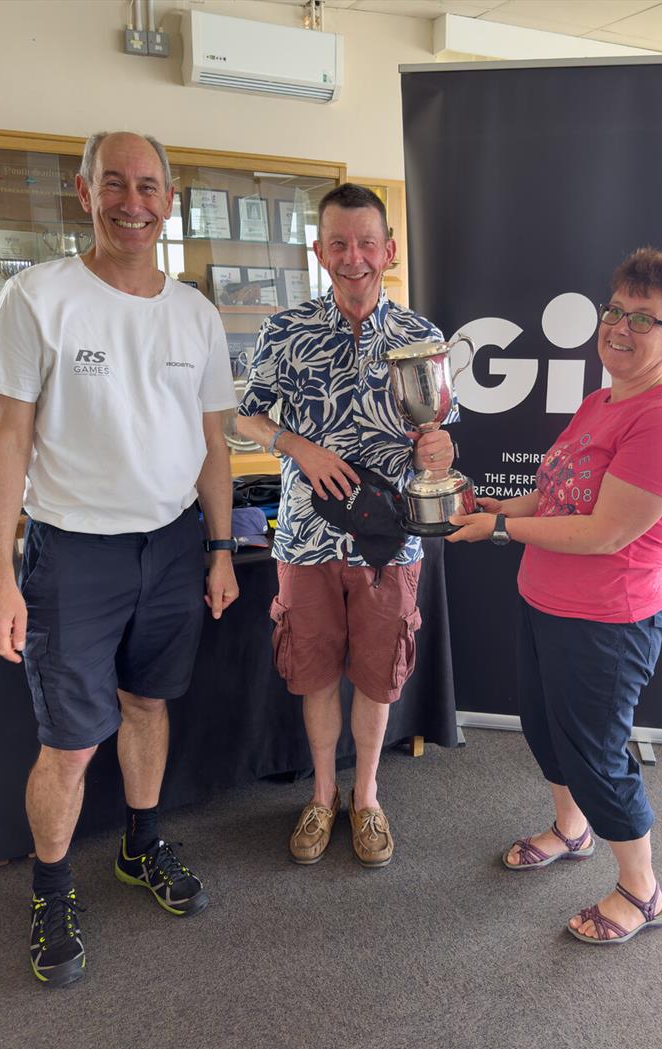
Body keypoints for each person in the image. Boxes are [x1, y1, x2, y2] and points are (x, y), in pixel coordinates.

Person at [0, 131, 239, 987]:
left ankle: (141, 842)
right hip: (71, 554)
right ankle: (52, 889)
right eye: (115, 184)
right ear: (84, 194)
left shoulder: (195, 312)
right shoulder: (38, 297)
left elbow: (212, 446)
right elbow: (7, 441)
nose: (134, 201)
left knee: (148, 706)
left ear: (170, 201)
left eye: (150, 186)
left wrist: (221, 545)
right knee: (69, 743)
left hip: (169, 547)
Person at [448, 247, 662, 944]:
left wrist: (497, 527)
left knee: (597, 753)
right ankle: (572, 828)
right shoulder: (601, 399)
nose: (621, 327)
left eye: (644, 319)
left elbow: (601, 533)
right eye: (615, 310)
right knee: (545, 729)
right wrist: (499, 502)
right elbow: (558, 490)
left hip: (607, 622)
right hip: (546, 602)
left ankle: (642, 890)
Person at [236, 183, 453, 868]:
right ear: (319, 250)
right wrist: (298, 446)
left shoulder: (423, 337)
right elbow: (243, 415)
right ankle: (322, 795)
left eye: (366, 243)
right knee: (316, 674)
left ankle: (366, 797)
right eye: (339, 243)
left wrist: (439, 448)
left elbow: (443, 431)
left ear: (388, 250)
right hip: (304, 537)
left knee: (377, 676)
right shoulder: (284, 330)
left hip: (391, 542)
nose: (353, 256)